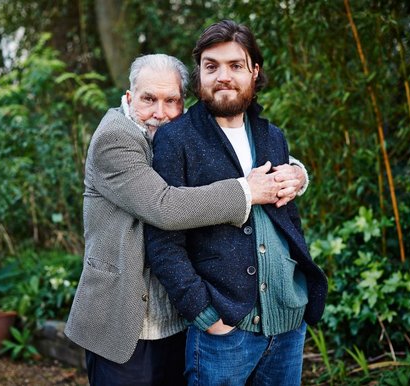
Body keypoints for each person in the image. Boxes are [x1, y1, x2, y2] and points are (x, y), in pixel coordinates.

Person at [65, 53, 309, 386]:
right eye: (148, 99)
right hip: (126, 318)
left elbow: (230, 155)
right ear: (128, 97)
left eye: (171, 101)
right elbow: (164, 205)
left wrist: (296, 171)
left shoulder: (178, 138)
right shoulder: (115, 138)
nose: (159, 113)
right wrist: (247, 191)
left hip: (177, 319)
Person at [145, 20, 328, 386]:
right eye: (211, 66)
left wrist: (299, 293)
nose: (222, 76)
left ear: (254, 71)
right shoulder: (175, 139)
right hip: (225, 329)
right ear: (198, 74)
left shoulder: (273, 135)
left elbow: (288, 218)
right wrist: (206, 314)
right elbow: (163, 239)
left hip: (288, 321)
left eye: (235, 65)